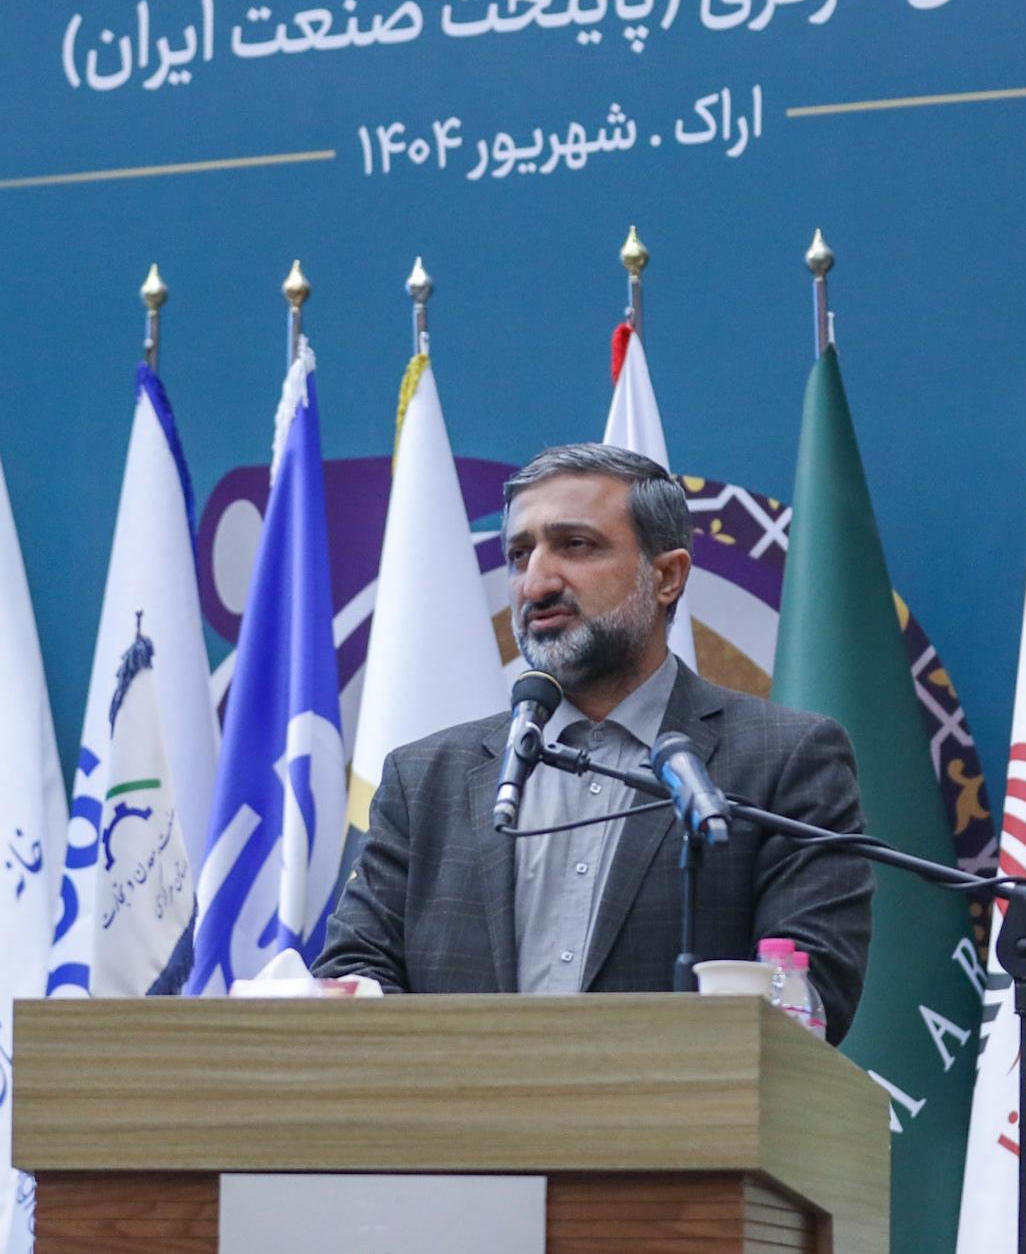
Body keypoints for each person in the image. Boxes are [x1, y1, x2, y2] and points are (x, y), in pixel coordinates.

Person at [317, 443, 875, 1042]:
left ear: (666, 576)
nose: (536, 583)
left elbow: (810, 998)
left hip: (681, 1102)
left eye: (575, 545)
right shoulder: (425, 778)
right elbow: (353, 975)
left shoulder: (784, 759)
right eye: (519, 554)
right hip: (460, 1103)